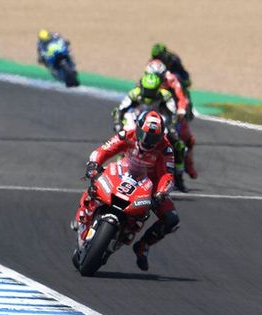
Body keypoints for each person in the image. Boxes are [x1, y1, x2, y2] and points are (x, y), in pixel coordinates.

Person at [74, 111, 179, 271]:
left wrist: (161, 193)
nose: (148, 141)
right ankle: (83, 218)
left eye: (153, 138)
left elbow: (168, 175)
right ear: (138, 129)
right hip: (124, 172)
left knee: (171, 219)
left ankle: (143, 246)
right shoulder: (127, 134)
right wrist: (94, 163)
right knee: (95, 186)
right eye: (144, 135)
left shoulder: (166, 149)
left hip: (150, 185)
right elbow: (104, 149)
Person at [112, 72, 194, 191]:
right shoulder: (134, 93)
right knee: (123, 142)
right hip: (137, 122)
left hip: (158, 124)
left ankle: (179, 179)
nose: (150, 94)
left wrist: (171, 127)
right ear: (142, 87)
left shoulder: (165, 95)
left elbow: (173, 114)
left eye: (153, 90)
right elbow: (118, 111)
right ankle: (120, 173)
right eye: (147, 90)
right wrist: (118, 125)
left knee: (179, 146)